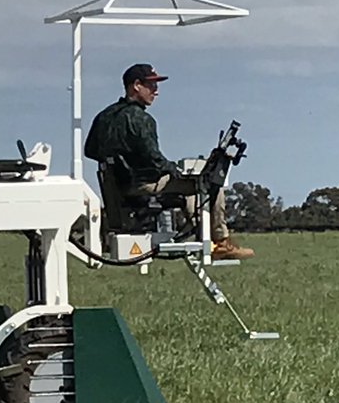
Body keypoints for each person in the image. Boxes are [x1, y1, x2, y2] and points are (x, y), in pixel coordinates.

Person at [83, 63, 254, 261]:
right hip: (143, 184)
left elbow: (90, 151)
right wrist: (175, 170)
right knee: (210, 184)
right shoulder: (142, 119)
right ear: (136, 85)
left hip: (119, 188)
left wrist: (118, 163)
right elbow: (155, 160)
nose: (156, 91)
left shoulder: (103, 117)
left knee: (193, 187)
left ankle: (204, 234)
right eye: (151, 85)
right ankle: (220, 242)